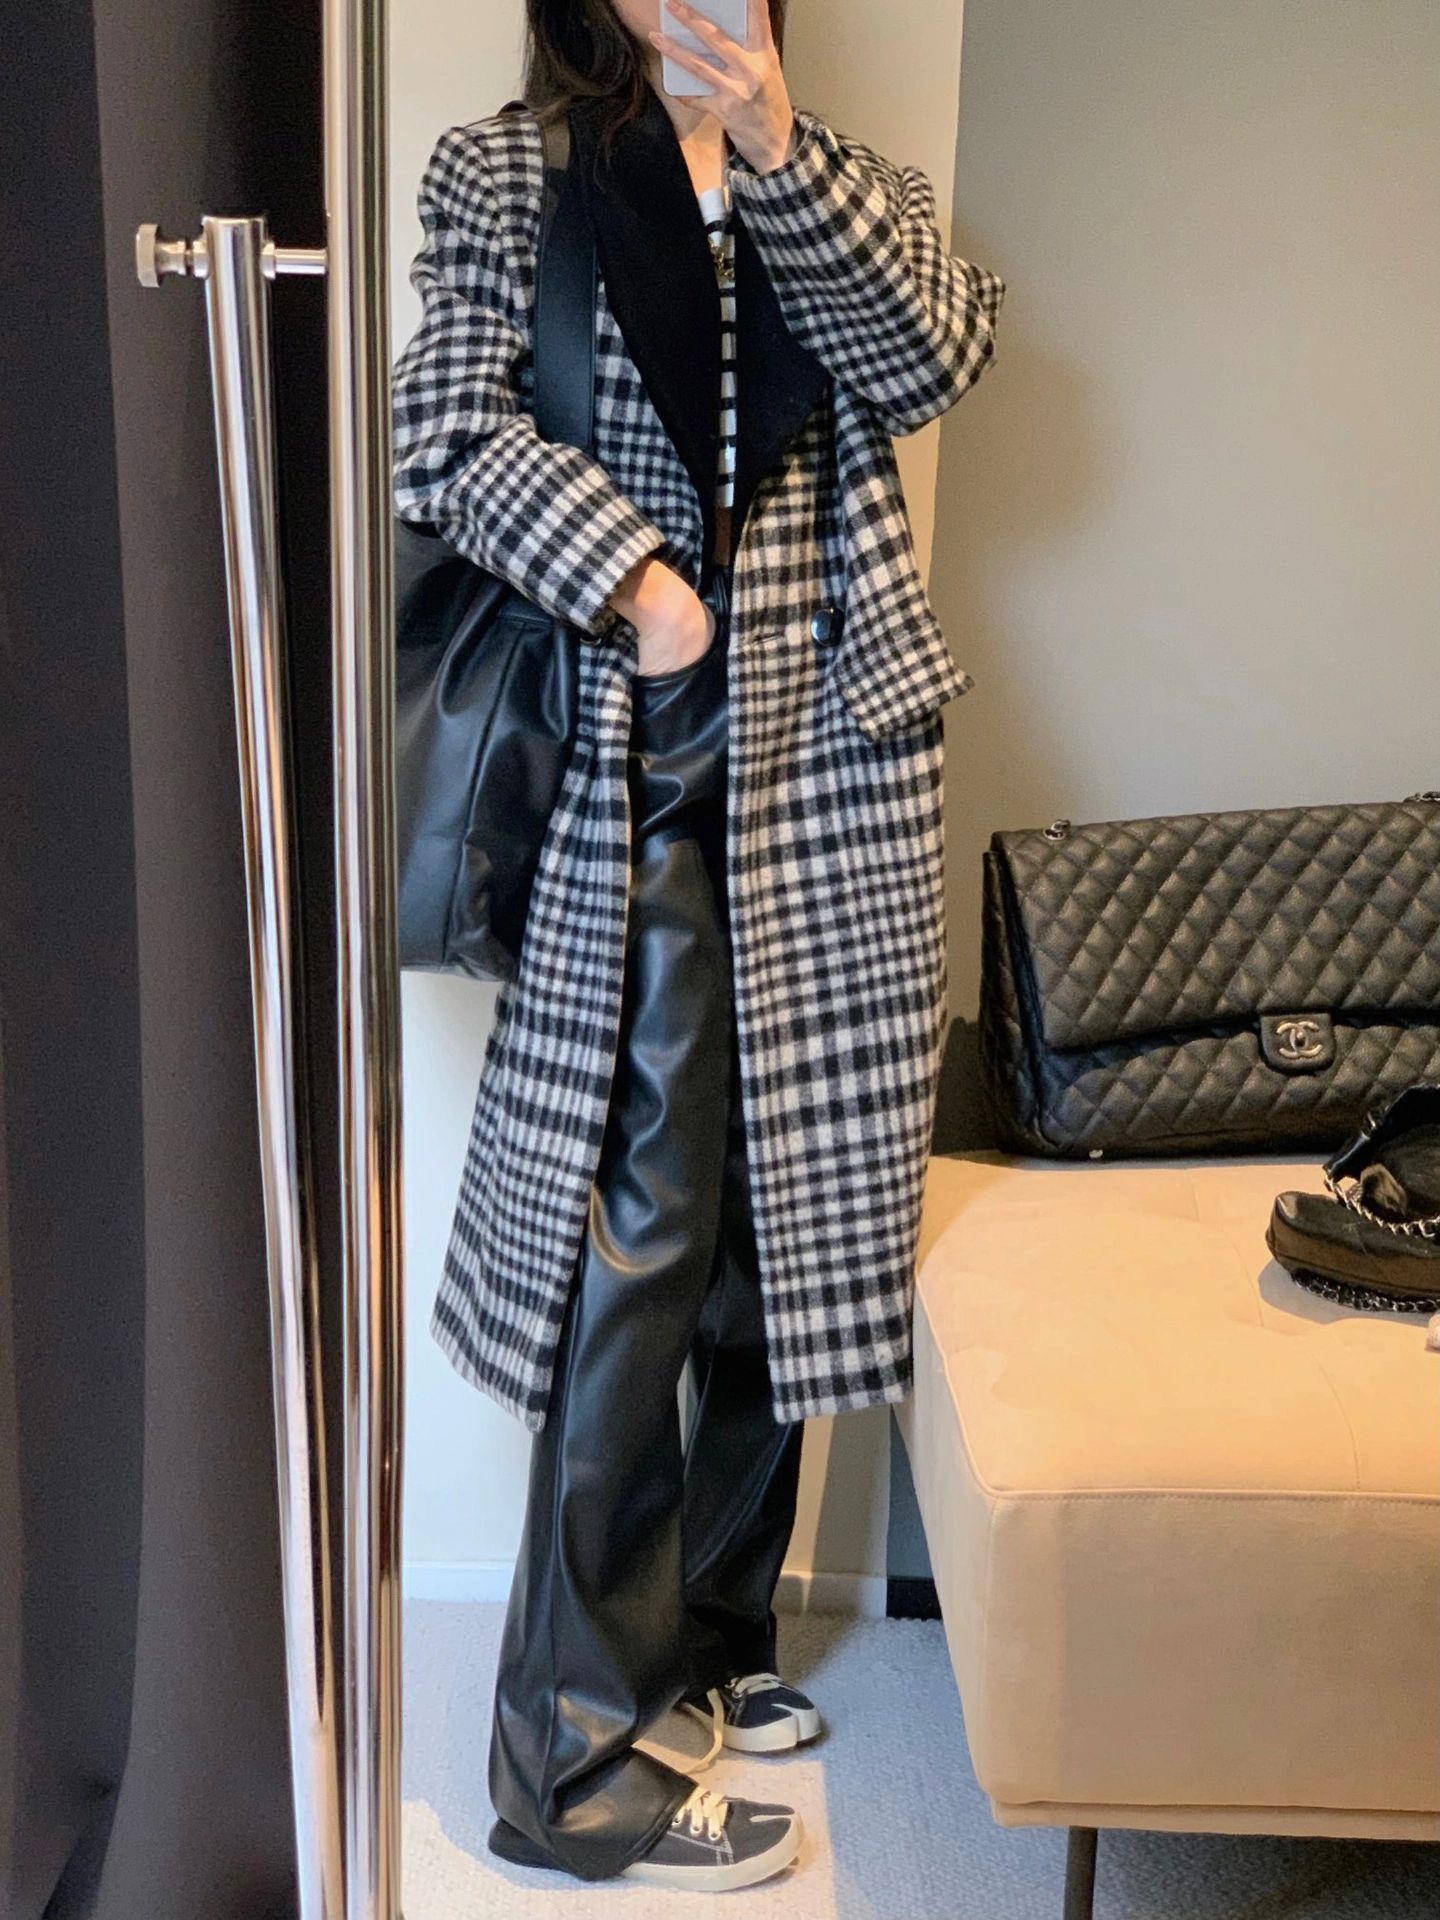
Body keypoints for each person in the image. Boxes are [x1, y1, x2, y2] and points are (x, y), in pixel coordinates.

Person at [391, 0, 1005, 1892]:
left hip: (827, 770)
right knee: (641, 1234)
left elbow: (934, 359)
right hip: (632, 765)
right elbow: (439, 426)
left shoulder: (846, 182)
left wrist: (785, 153)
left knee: (777, 1222)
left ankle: (710, 1645)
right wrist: (639, 583)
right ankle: (566, 1769)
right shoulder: (511, 170)